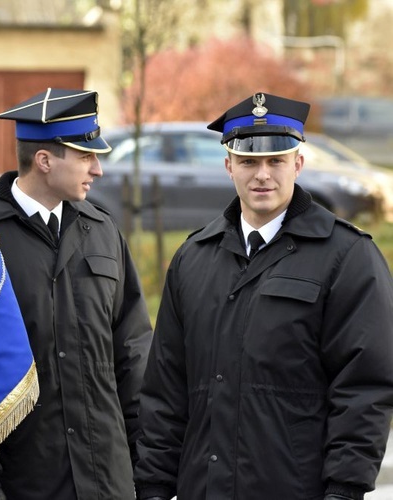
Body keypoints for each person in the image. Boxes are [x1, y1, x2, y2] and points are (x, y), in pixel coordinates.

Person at [134, 92, 393, 500]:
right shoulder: (193, 259)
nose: (262, 175)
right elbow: (166, 389)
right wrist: (152, 486)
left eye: (276, 161)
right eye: (249, 162)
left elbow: (365, 389)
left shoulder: (347, 257)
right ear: (228, 166)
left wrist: (345, 489)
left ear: (299, 164)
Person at [0, 88, 153, 499]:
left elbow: (133, 354)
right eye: (86, 156)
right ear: (45, 161)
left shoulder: (103, 232)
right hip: (23, 481)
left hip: (108, 479)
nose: (98, 169)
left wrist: (150, 466)